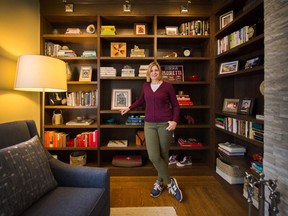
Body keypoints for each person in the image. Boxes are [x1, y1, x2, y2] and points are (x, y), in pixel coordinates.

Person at [120, 61, 183, 202]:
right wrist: (128, 108)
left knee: (163, 154)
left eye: (156, 70)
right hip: (149, 124)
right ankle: (171, 183)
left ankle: (159, 183)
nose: (154, 72)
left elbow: (176, 106)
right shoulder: (146, 86)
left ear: (160, 72)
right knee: (154, 156)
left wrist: (174, 121)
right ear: (149, 73)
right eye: (152, 70)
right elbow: (141, 100)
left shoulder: (168, 87)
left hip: (165, 124)